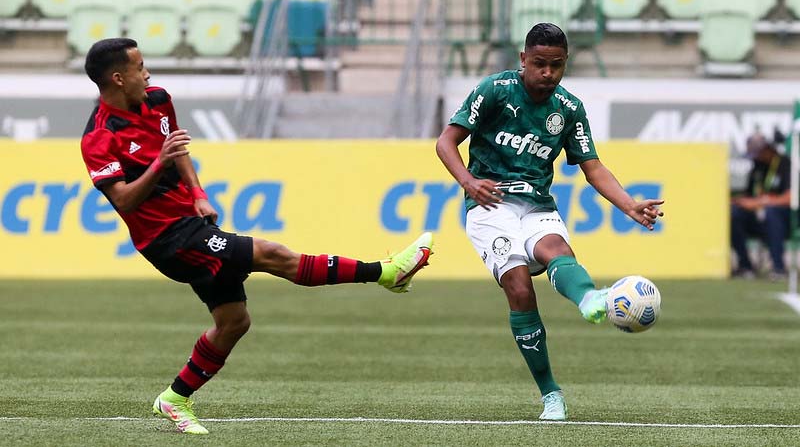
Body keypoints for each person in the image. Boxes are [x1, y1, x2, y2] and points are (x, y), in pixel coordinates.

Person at [80, 38, 434, 435]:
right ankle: (387, 272)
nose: (148, 73)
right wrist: (158, 161)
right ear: (117, 77)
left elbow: (177, 147)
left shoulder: (158, 99)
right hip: (167, 240)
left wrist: (197, 193)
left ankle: (174, 399)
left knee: (233, 321)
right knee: (272, 254)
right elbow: (124, 200)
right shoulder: (98, 137)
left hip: (192, 221)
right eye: (140, 66)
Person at [435, 23, 664, 421]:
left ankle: (590, 299)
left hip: (537, 204)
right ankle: (551, 395)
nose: (547, 73)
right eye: (539, 64)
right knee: (520, 287)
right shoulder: (495, 90)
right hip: (489, 205)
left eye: (556, 65)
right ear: (523, 59)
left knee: (556, 250)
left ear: (565, 63)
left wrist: (628, 205)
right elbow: (445, 142)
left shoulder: (569, 108)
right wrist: (468, 182)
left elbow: (592, 167)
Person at [730, 132, 791, 280]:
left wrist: (762, 202)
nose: (755, 157)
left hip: (783, 221)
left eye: (757, 153)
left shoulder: (784, 164)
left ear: (768, 150)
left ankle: (778, 268)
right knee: (734, 213)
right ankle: (745, 266)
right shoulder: (757, 167)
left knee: (772, 213)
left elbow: (791, 197)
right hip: (759, 220)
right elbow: (749, 196)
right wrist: (738, 201)